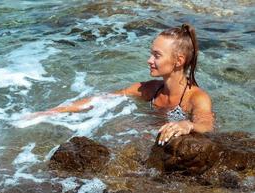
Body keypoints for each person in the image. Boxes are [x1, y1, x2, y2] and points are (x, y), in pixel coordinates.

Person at [30, 23, 214, 146]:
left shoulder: (196, 98)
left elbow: (206, 125)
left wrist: (187, 125)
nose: (149, 60)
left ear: (178, 61)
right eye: (151, 54)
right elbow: (102, 99)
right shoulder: (150, 89)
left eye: (157, 55)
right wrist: (52, 112)